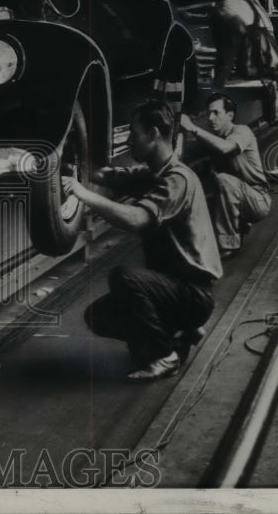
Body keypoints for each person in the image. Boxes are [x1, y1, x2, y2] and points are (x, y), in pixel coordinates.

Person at [63, 99, 222, 383]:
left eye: (133, 134)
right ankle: (179, 329)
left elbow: (136, 219)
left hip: (194, 293)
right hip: (175, 288)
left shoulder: (177, 181)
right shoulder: (154, 175)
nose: (129, 140)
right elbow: (107, 175)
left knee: (125, 278)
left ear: (153, 134)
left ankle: (164, 355)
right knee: (97, 316)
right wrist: (72, 164)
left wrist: (81, 194)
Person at [180, 93, 271, 259]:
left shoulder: (242, 131)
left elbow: (226, 148)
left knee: (223, 180)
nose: (211, 118)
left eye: (216, 113)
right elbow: (185, 158)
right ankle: (238, 224)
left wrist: (193, 128)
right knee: (200, 185)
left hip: (257, 199)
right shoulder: (215, 139)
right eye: (209, 113)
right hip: (239, 197)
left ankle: (229, 246)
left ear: (230, 115)